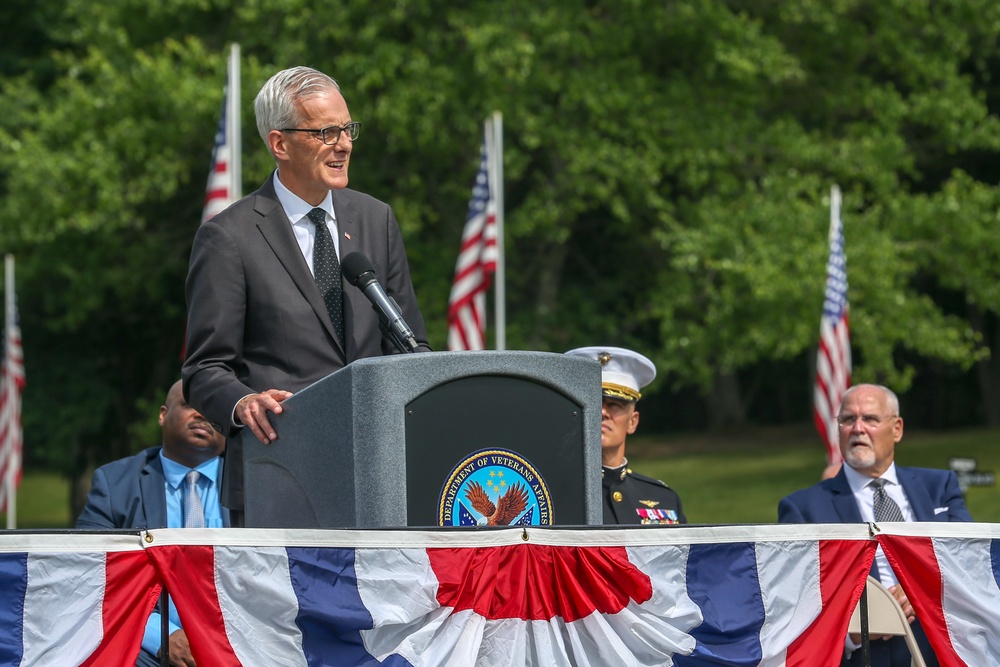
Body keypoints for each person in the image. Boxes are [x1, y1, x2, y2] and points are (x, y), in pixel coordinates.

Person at [182, 66, 430, 519]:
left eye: (347, 128)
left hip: (377, 480)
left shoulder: (376, 221)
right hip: (278, 478)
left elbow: (411, 347)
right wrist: (243, 402)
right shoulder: (229, 238)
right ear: (280, 144)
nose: (344, 144)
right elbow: (204, 369)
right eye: (326, 132)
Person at [778, 384, 972, 667]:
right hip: (863, 656)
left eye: (869, 418)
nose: (857, 428)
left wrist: (921, 586)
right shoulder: (804, 508)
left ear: (897, 429)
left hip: (939, 649)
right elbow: (793, 603)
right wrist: (853, 632)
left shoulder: (940, 488)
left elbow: (970, 563)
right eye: (848, 419)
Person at [77, 380, 228, 667]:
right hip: (146, 646)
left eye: (213, 409)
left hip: (237, 642)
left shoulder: (256, 486)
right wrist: (161, 637)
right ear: (162, 415)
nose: (202, 415)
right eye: (189, 405)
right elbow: (89, 577)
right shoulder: (115, 485)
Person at [565, 346, 686, 525]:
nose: (602, 412)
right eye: (593, 402)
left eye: (615, 404)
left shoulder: (664, 499)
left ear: (633, 422)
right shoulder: (554, 493)